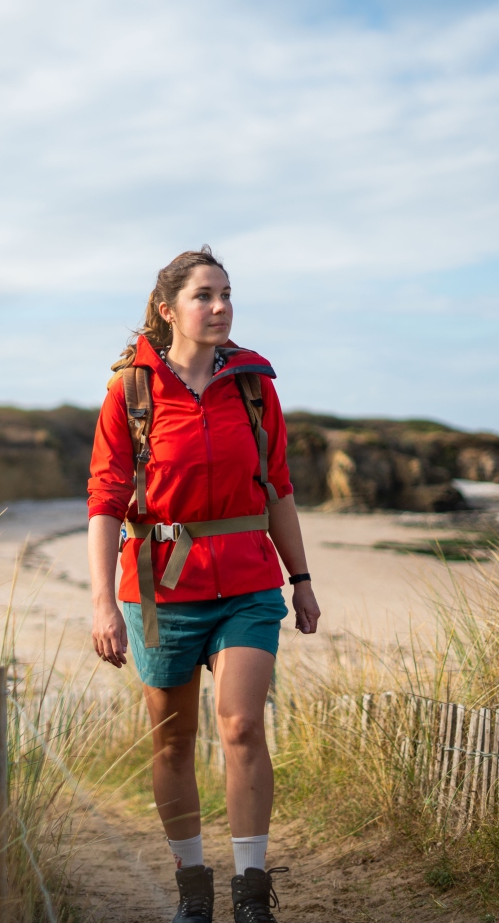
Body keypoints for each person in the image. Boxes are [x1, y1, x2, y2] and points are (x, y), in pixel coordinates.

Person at [87, 247, 321, 923]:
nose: (219, 307)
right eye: (204, 296)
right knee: (171, 740)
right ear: (168, 310)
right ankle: (194, 887)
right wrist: (103, 601)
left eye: (226, 294)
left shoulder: (254, 385)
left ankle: (252, 893)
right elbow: (105, 500)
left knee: (243, 724)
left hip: (249, 582)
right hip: (159, 589)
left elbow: (277, 487)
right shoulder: (130, 391)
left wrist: (300, 579)